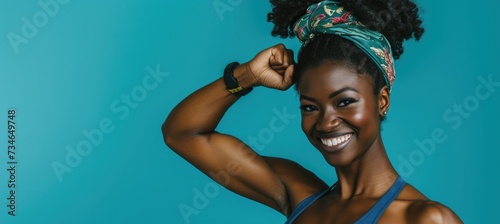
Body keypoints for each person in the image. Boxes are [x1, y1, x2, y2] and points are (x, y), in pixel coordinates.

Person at [162, 0, 462, 223]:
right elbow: (183, 134)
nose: (326, 121)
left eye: (344, 101)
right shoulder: (297, 195)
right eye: (310, 107)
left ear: (382, 101)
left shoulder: (424, 219)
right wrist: (247, 76)